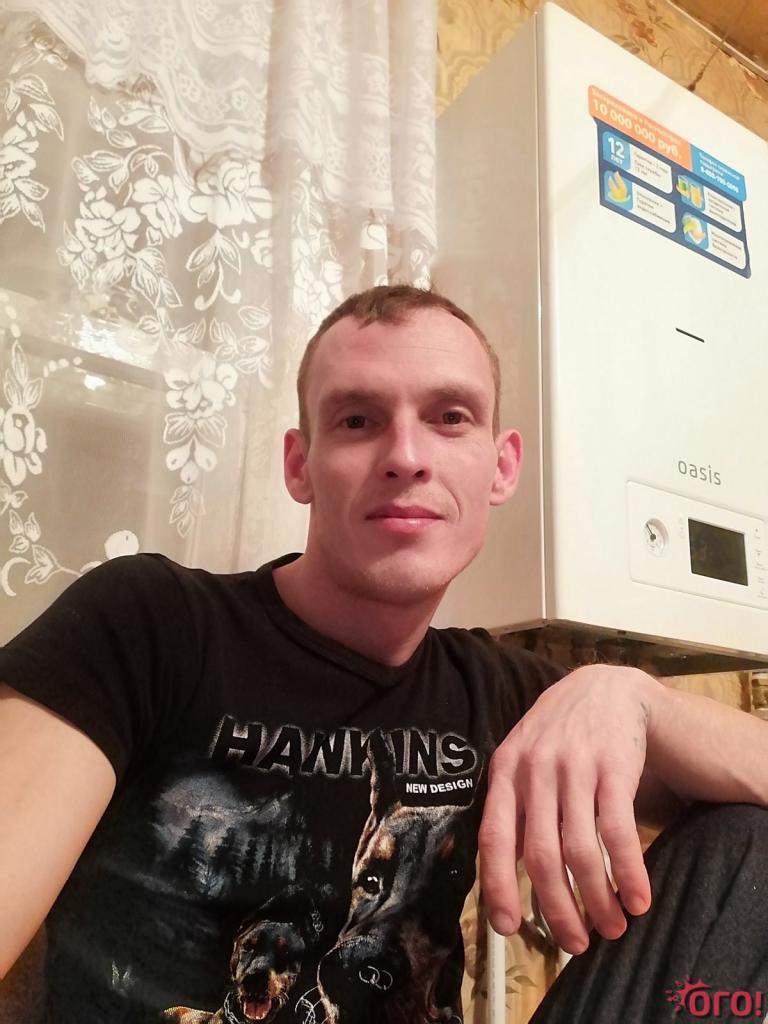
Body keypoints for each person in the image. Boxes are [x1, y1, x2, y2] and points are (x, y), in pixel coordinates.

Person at [1, 284, 767, 1024]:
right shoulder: (151, 624)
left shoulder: (495, 690)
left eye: (450, 418)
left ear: (502, 467)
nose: (406, 456)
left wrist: (630, 693)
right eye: (358, 420)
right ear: (299, 464)